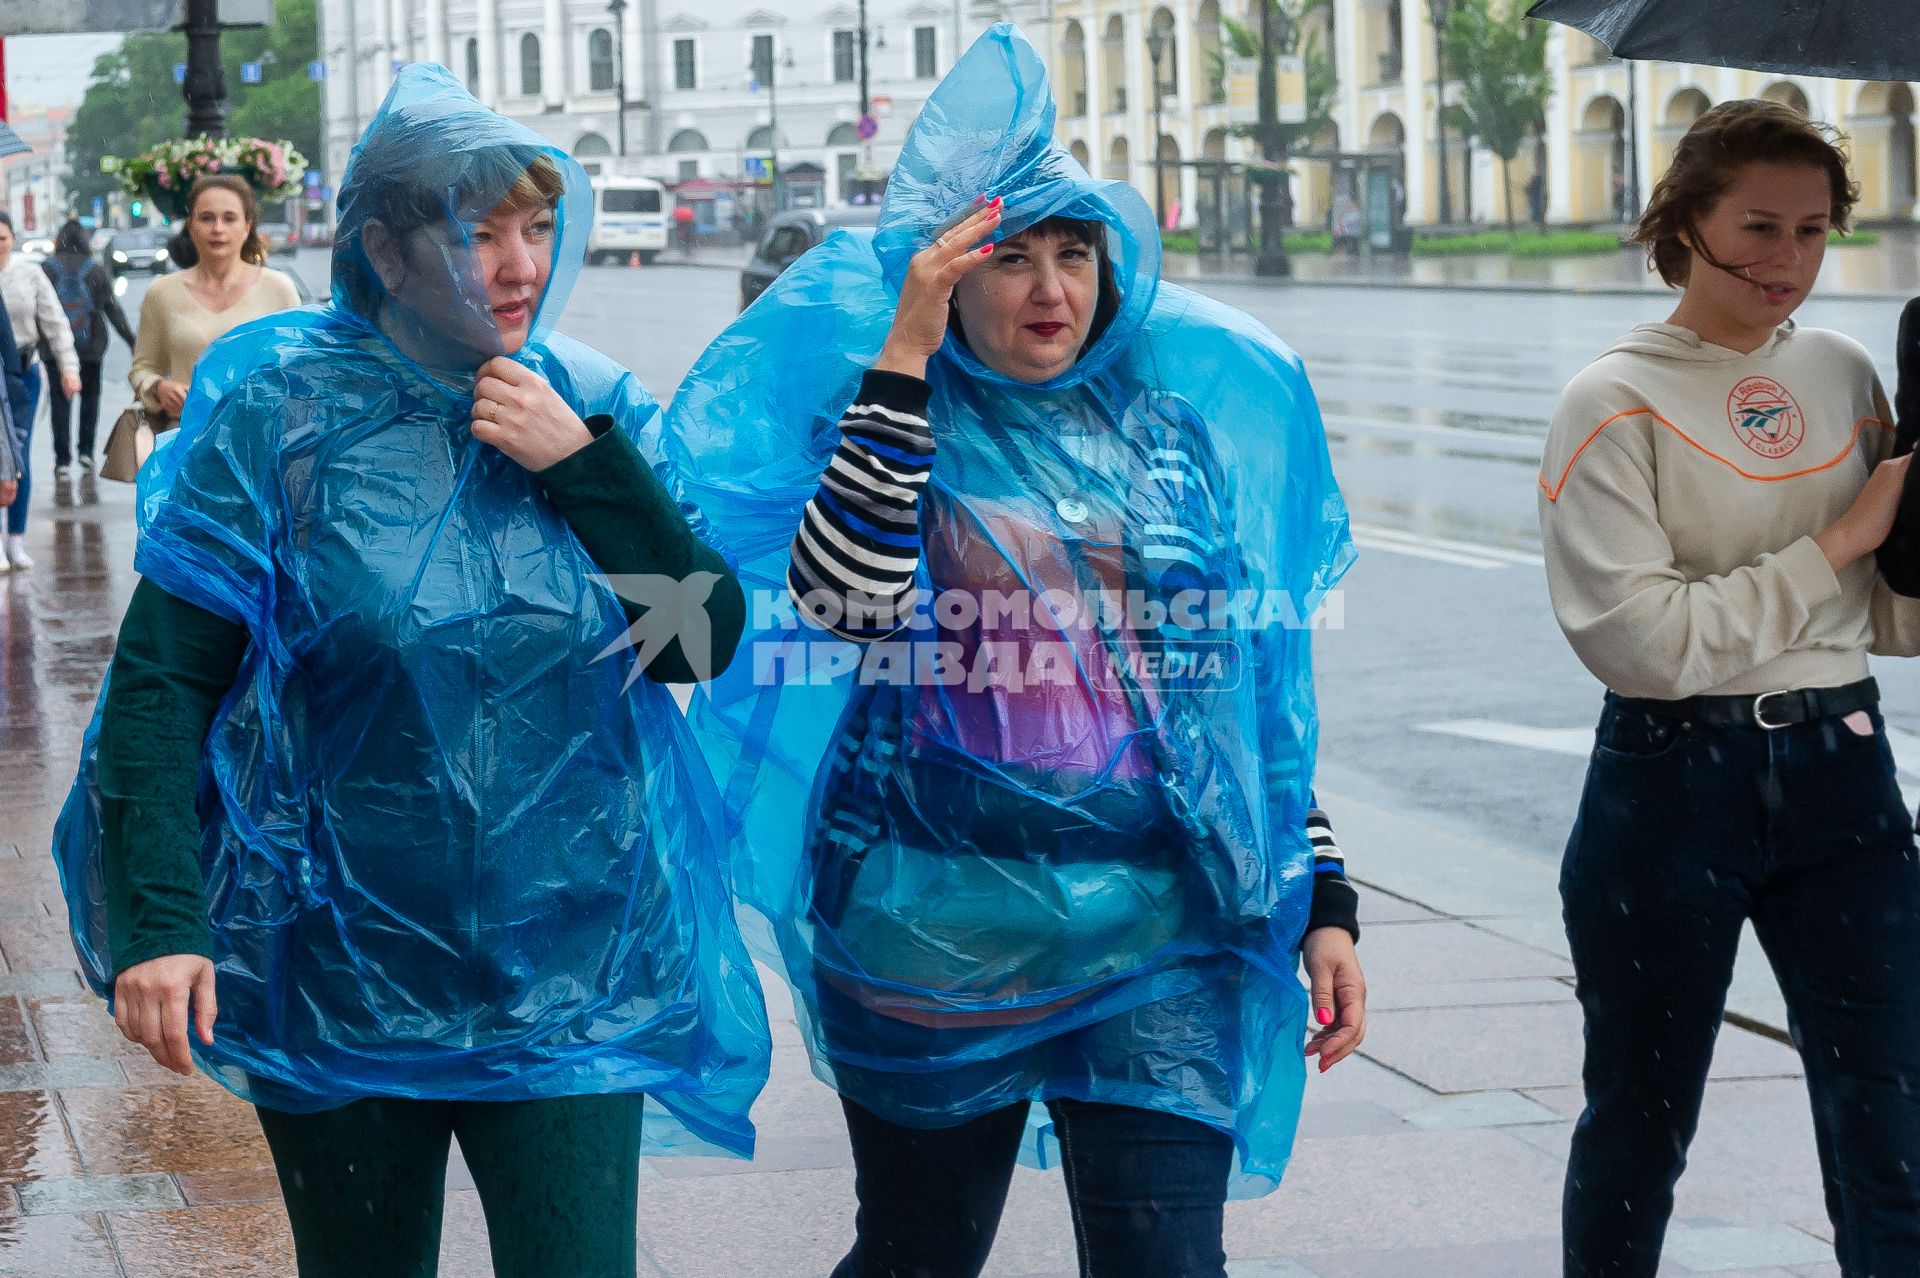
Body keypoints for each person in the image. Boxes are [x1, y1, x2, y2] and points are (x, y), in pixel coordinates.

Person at [662, 26, 1364, 1277]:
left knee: (1166, 1264)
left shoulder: (1167, 436)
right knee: (919, 1256)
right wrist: (906, 353)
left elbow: (1244, 695)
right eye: (1010, 259)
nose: (1051, 288)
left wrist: (1327, 897)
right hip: (930, 927)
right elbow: (842, 604)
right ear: (946, 282)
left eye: (1075, 252)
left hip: (1163, 928)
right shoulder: (892, 421)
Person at [51, 65, 769, 1278]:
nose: (520, 264)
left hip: (573, 967)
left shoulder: (593, 405)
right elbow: (163, 686)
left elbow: (699, 639)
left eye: (537, 227)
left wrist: (583, 466)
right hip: (343, 971)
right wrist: (161, 923)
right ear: (382, 246)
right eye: (477, 231)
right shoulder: (281, 419)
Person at [1538, 99, 1920, 1277]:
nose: (1786, 260)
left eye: (1813, 231)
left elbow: (1892, 621)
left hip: (1843, 774)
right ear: (1683, 221)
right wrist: (1840, 543)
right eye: (1757, 225)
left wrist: (1898, 549)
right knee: (1640, 1123)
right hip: (1669, 788)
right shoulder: (1613, 399)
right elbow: (1641, 642)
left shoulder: (1849, 371)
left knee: (1893, 1120)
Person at [127, 175, 301, 432]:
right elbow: (142, 369)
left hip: (261, 443)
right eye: (206, 218)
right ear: (191, 226)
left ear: (247, 226)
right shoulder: (161, 293)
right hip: (187, 445)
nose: (217, 228)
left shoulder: (278, 289)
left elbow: (299, 371)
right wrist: (159, 388)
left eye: (229, 218)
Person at [0, 211, 80, 570]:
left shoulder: (28, 273)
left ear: (12, 239)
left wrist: (68, 367)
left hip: (22, 375)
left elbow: (55, 322)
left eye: (2, 238)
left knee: (18, 454)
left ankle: (15, 538)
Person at [43, 218, 137, 477]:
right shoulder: (94, 270)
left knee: (59, 402)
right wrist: (132, 342)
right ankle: (86, 452)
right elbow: (112, 310)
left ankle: (62, 460)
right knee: (90, 399)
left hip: (56, 351)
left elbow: (37, 311)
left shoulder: (47, 270)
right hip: (92, 346)